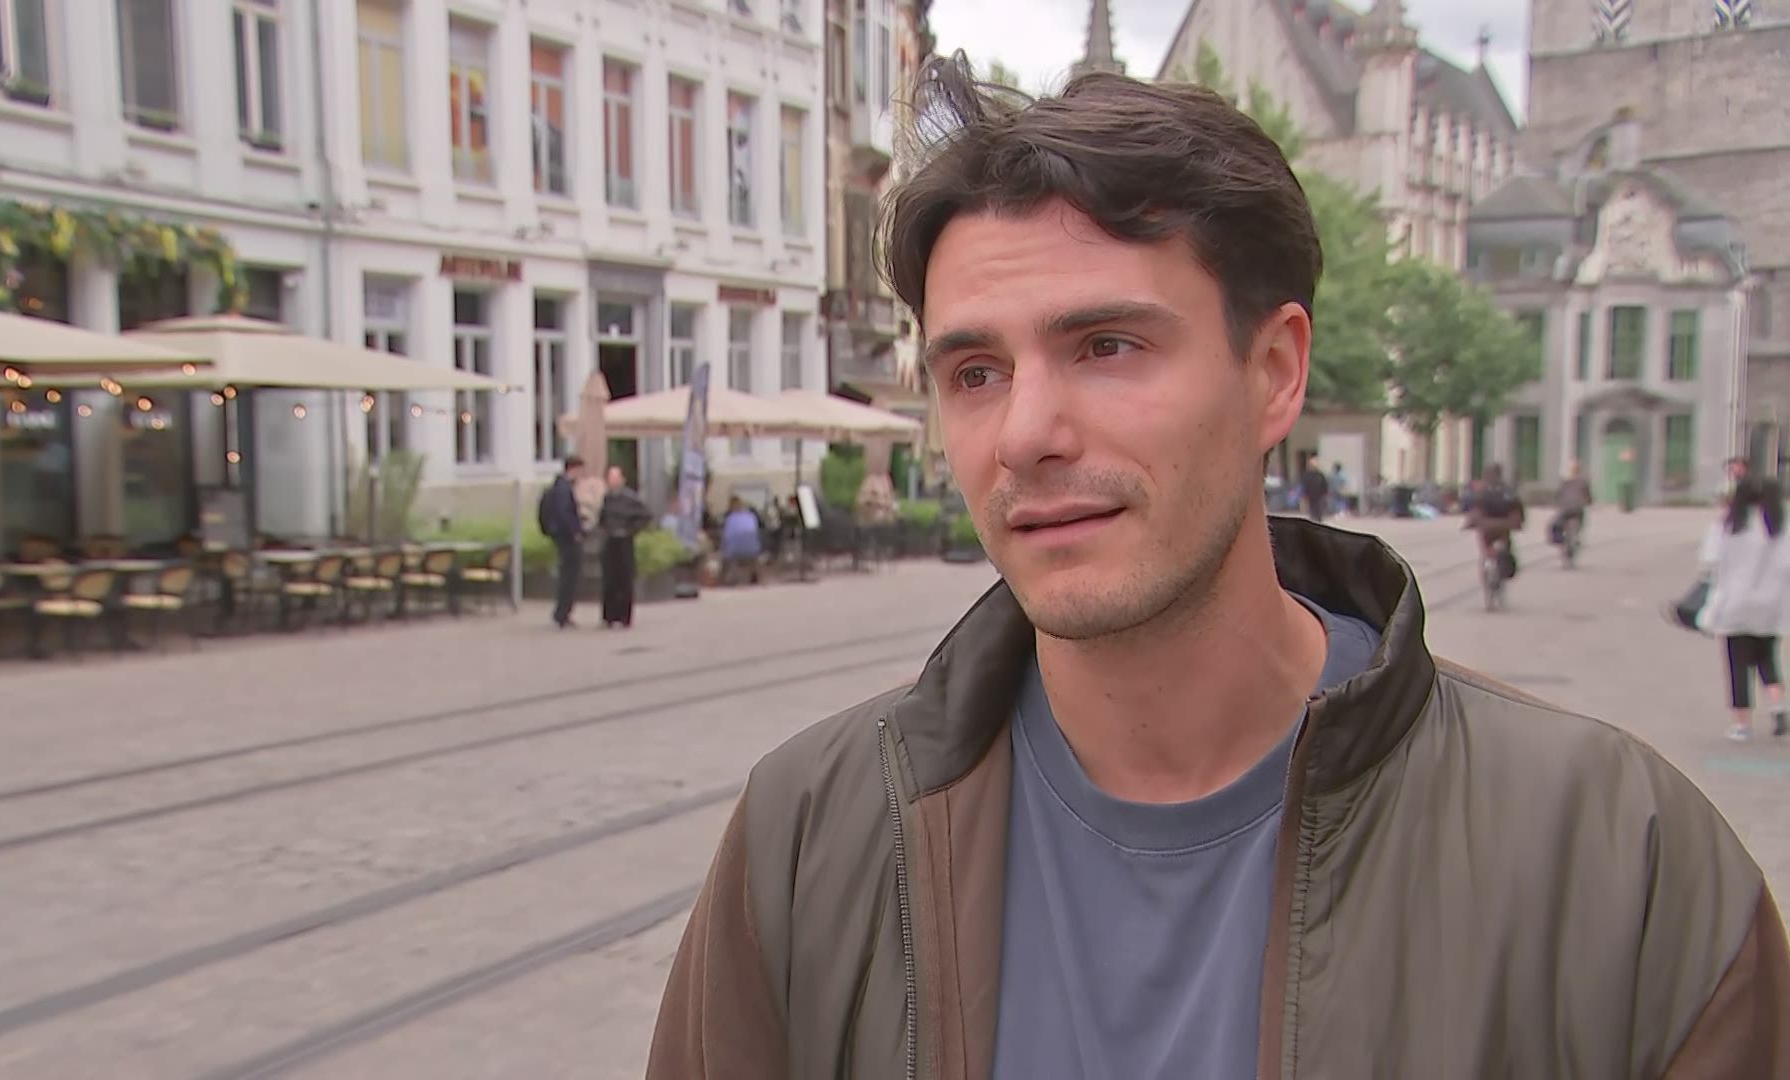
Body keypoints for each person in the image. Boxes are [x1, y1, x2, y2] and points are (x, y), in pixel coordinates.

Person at [648, 55, 1790, 1079]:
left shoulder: (1618, 864)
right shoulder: (810, 838)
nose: (1026, 434)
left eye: (1106, 346)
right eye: (976, 373)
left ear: (1275, 372)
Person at [1700, 476, 1790, 741]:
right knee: (1768, 658)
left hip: (1735, 603)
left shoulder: (1729, 525)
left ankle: (1742, 725)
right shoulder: (1779, 525)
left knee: (1737, 664)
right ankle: (1778, 707)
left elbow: (1709, 559)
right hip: (1770, 605)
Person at [597, 465, 652, 629]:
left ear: (622, 480)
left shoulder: (631, 498)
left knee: (624, 579)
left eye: (616, 478)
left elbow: (645, 516)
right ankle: (609, 616)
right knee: (609, 579)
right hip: (610, 541)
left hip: (624, 541)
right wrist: (604, 529)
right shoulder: (607, 498)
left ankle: (623, 616)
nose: (613, 482)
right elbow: (602, 517)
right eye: (610, 478)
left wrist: (630, 530)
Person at [537, 455, 585, 629]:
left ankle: (562, 613)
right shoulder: (564, 489)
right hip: (567, 538)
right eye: (580, 471)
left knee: (567, 574)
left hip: (560, 535)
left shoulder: (558, 486)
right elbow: (564, 513)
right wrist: (575, 532)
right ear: (573, 469)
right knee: (569, 576)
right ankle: (562, 613)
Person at [1465, 462, 1524, 577]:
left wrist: (1469, 523)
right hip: (1504, 526)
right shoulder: (1508, 491)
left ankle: (1489, 561)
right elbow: (1517, 509)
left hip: (1487, 527)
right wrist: (1518, 523)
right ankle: (1502, 565)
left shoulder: (1481, 491)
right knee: (1506, 546)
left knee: (1487, 545)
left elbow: (1475, 510)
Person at [719, 496, 763, 585]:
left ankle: (728, 577)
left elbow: (726, 537)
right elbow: (756, 532)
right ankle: (754, 575)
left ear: (730, 507)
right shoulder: (751, 516)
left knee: (726, 554)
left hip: (735, 551)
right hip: (753, 549)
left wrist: (722, 547)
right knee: (752, 553)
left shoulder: (730, 519)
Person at [1552, 459, 1593, 546]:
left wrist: (1557, 503)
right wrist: (1589, 502)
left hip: (1565, 508)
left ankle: (1558, 537)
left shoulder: (1565, 481)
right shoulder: (1583, 481)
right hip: (1577, 508)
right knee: (1580, 519)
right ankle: (1576, 535)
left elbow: (1558, 494)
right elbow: (1588, 495)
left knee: (1557, 521)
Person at [1299, 453, 1329, 522]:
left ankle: (1319, 521)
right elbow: (1304, 486)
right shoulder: (1307, 475)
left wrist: (1326, 495)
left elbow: (1325, 485)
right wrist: (1303, 497)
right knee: (1312, 512)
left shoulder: (1320, 475)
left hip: (1319, 496)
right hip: (1310, 496)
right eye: (1312, 465)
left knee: (1319, 511)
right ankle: (1314, 521)